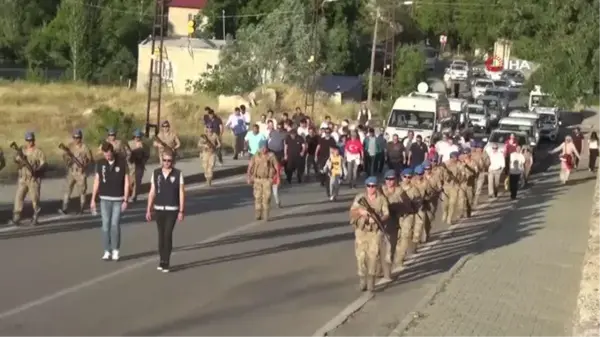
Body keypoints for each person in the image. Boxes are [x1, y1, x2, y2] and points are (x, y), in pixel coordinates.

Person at [145, 150, 185, 272]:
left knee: (167, 235)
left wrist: (181, 210)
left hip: (172, 209)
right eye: (165, 160)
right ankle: (162, 259)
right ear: (161, 160)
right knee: (161, 236)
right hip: (159, 208)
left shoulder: (178, 174)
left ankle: (166, 261)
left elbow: (181, 192)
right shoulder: (156, 173)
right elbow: (152, 192)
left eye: (169, 161)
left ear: (173, 161)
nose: (167, 163)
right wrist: (148, 209)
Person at [349, 176, 390, 292]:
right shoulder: (360, 198)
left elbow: (387, 213)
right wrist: (361, 212)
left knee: (373, 257)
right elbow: (352, 212)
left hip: (375, 232)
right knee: (360, 257)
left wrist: (379, 219)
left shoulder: (381, 199)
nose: (371, 188)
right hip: (361, 232)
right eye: (369, 186)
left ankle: (371, 281)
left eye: (373, 186)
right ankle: (362, 279)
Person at [91, 142, 129, 261]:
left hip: (118, 199)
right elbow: (97, 181)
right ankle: (107, 250)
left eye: (109, 154)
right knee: (105, 226)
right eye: (105, 154)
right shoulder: (100, 163)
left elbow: (127, 181)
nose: (107, 157)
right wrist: (93, 199)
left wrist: (126, 199)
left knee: (114, 225)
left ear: (112, 152)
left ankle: (115, 250)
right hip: (104, 199)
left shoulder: (122, 163)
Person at [9, 132, 47, 226]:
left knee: (35, 198)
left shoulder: (38, 151)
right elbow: (16, 160)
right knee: (19, 197)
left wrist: (37, 170)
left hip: (33, 179)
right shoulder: (22, 150)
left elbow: (44, 164)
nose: (30, 142)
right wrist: (22, 162)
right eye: (28, 140)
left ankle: (35, 216)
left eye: (31, 140)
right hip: (23, 178)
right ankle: (16, 216)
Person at [59, 129, 93, 215]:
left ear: (81, 138)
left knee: (82, 191)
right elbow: (64, 156)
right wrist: (68, 160)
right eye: (74, 137)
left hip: (81, 172)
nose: (76, 139)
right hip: (72, 171)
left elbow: (90, 159)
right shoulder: (70, 146)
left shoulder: (85, 147)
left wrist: (84, 166)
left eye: (78, 137)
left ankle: (81, 208)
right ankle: (65, 208)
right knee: (67, 190)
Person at [247, 144, 279, 221]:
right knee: (257, 197)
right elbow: (250, 166)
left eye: (265, 148)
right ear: (259, 148)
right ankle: (258, 213)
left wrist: (277, 177)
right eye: (262, 148)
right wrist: (248, 176)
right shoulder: (256, 156)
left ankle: (266, 214)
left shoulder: (271, 156)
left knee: (267, 197)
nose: (264, 149)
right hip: (257, 179)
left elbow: (276, 166)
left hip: (267, 180)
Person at [125, 129, 149, 202]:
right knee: (130, 181)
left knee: (137, 181)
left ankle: (134, 196)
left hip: (139, 165)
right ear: (134, 137)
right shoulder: (129, 144)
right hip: (131, 165)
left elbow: (147, 155)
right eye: (136, 137)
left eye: (139, 137)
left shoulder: (144, 145)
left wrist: (143, 161)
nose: (137, 138)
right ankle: (128, 193)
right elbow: (126, 153)